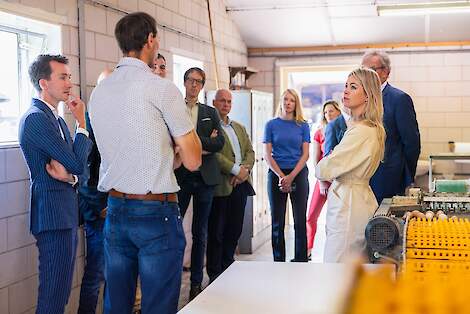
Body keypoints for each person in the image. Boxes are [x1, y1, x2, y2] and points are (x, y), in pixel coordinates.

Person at [88, 12, 202, 314]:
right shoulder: (162, 89)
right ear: (150, 40)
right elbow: (192, 160)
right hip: (155, 212)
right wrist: (176, 147)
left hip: (114, 210)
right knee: (158, 305)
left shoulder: (99, 93)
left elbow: (123, 147)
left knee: (117, 305)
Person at [18, 54, 92, 314]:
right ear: (44, 83)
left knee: (59, 297)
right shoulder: (35, 118)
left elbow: (78, 171)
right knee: (52, 298)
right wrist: (82, 124)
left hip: (65, 215)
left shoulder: (58, 120)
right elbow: (76, 163)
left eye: (69, 76)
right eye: (62, 77)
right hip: (52, 217)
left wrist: (72, 178)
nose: (69, 83)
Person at [316, 67, 386, 263]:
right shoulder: (363, 128)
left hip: (349, 204)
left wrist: (330, 159)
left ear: (367, 96)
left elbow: (323, 169)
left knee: (336, 266)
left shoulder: (361, 132)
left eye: (353, 87)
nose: (346, 91)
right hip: (354, 199)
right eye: (346, 86)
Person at [174, 67, 225, 300]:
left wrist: (190, 144)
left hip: (205, 178)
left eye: (198, 82)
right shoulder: (174, 108)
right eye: (190, 81)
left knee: (200, 232)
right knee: (175, 232)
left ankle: (196, 283)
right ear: (184, 83)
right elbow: (171, 139)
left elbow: (219, 144)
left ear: (202, 86)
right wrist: (203, 144)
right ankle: (173, 281)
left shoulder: (210, 112)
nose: (194, 85)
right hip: (181, 176)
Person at [207, 89, 256, 282]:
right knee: (216, 232)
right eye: (222, 101)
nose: (226, 104)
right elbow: (214, 155)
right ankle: (214, 274)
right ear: (214, 102)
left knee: (234, 230)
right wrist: (236, 170)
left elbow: (250, 152)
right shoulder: (210, 128)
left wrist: (244, 171)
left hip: (240, 186)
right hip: (221, 186)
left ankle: (228, 269)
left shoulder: (239, 127)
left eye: (229, 101)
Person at [362, 51, 420, 204]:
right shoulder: (360, 99)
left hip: (388, 176)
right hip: (362, 177)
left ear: (386, 72)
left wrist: (406, 176)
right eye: (364, 70)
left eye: (372, 70)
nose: (367, 75)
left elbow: (412, 143)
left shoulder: (399, 99)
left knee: (385, 225)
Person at [77, 68, 112, 314]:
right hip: (99, 212)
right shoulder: (90, 124)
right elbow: (83, 173)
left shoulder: (118, 121)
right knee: (95, 274)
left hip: (119, 208)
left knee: (117, 275)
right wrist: (100, 207)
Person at [263, 89, 310, 263]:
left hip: (298, 172)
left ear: (296, 104)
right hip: (276, 172)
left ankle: (300, 259)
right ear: (281, 102)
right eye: (285, 99)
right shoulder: (271, 125)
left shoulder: (303, 125)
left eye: (292, 100)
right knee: (277, 221)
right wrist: (282, 176)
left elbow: (305, 154)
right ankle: (278, 261)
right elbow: (267, 154)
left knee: (299, 221)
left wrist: (291, 177)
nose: (288, 103)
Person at [306, 100, 342, 259]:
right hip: (323, 181)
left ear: (339, 112)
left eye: (331, 111)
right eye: (326, 112)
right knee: (311, 216)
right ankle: (308, 249)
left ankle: (334, 251)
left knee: (335, 220)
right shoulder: (319, 132)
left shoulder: (346, 131)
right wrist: (321, 181)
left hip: (340, 182)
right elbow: (316, 159)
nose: (328, 114)